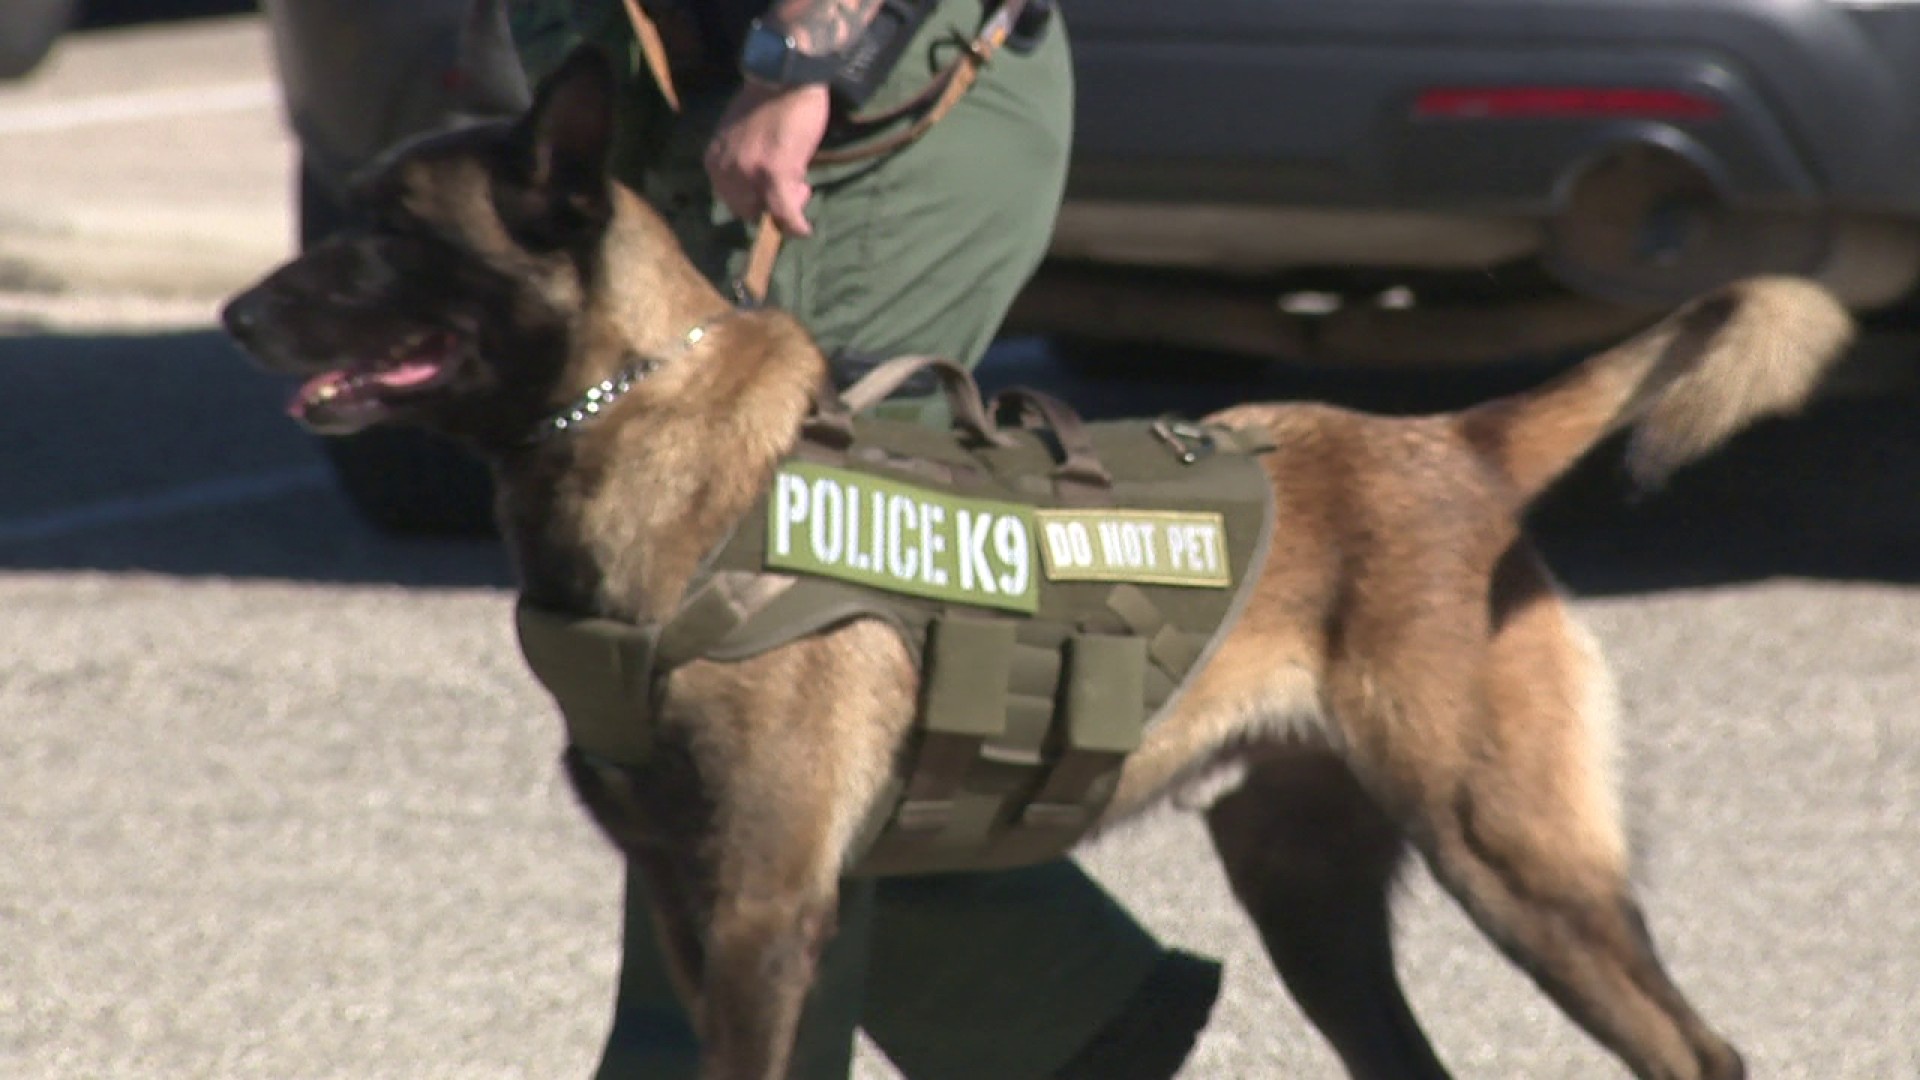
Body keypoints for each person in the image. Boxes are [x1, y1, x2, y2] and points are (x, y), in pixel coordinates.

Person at [502, 2, 1224, 1077]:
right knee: (760, 695)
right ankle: (1062, 1019)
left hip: (848, 105)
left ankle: (1046, 1019)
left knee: (749, 651)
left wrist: (807, 55)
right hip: (689, 84)